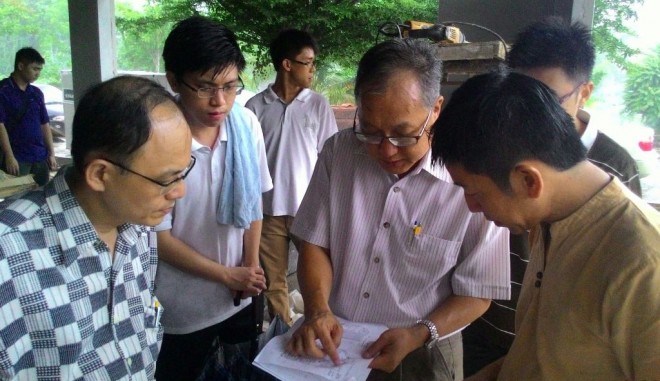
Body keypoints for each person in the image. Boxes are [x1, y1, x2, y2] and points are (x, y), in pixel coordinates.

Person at [285, 38, 510, 381]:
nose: (386, 150)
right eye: (371, 132)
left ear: (435, 109)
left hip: (424, 350)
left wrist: (419, 333)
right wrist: (317, 310)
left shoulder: (472, 178)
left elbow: (479, 291)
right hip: (336, 341)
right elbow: (314, 242)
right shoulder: (341, 152)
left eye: (404, 135)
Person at [432, 69, 659, 381]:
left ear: (528, 180)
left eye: (474, 193)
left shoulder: (644, 264)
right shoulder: (550, 220)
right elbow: (539, 356)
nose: (471, 207)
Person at [461, 18, 644, 376]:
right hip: (501, 328)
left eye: (546, 100)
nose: (528, 117)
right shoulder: (547, 219)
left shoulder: (638, 258)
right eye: (520, 97)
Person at [0, 75, 193, 379]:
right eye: (167, 179)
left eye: (184, 172)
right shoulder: (8, 258)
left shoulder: (139, 226)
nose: (180, 191)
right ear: (101, 174)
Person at [154, 16, 272, 381]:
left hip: (238, 299)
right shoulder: (156, 137)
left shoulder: (245, 124)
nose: (219, 101)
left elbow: (254, 204)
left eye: (230, 86)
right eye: (205, 86)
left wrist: (249, 271)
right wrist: (227, 274)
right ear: (174, 80)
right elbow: (158, 237)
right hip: (180, 311)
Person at [245, 29, 337, 325]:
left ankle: (326, 328)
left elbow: (330, 156)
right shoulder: (254, 108)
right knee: (274, 284)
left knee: (322, 280)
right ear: (287, 64)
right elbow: (247, 165)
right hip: (267, 213)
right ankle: (283, 339)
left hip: (309, 213)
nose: (313, 69)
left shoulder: (318, 105)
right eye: (307, 62)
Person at [0, 47, 57, 186]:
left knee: (42, 196)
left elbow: (44, 124)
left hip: (39, 156)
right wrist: (9, 157)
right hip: (17, 157)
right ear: (20, 66)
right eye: (34, 69)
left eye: (40, 70)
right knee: (15, 198)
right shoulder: (3, 91)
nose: (37, 74)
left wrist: (51, 153)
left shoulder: (36, 93)